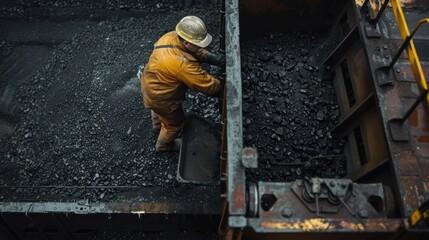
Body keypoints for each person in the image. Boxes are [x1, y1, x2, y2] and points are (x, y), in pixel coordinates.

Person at [140, 16, 224, 153]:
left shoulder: (171, 37)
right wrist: (225, 88)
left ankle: (157, 127)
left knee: (157, 111)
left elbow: (192, 51)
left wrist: (211, 58)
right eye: (200, 44)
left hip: (150, 84)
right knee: (174, 123)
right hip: (162, 98)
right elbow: (205, 85)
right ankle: (164, 146)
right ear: (186, 43)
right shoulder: (181, 64)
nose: (204, 46)